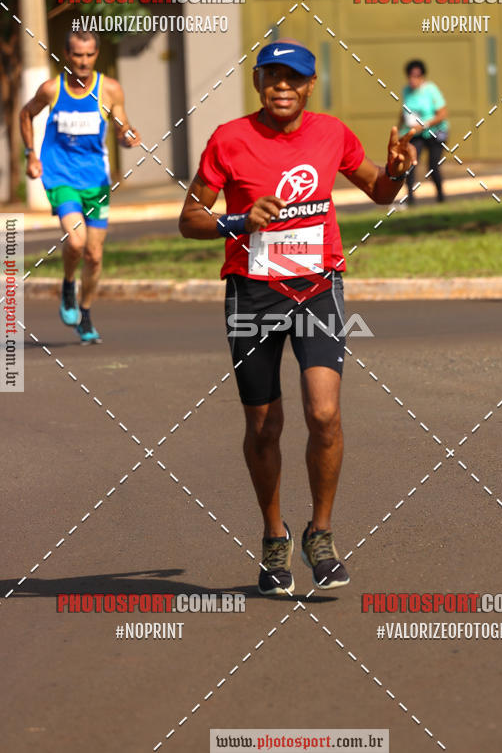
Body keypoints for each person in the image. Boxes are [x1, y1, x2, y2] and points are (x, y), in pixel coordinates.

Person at [179, 40, 416, 595]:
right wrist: (235, 220)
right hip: (252, 294)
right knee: (264, 426)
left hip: (317, 287)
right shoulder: (229, 139)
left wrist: (400, 174)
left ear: (310, 86)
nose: (282, 87)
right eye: (272, 77)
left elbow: (378, 191)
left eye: (294, 78)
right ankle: (273, 538)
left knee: (325, 413)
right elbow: (190, 218)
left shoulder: (332, 133)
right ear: (258, 82)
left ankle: (321, 535)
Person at [20, 29, 140, 343]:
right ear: (66, 54)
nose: (83, 62)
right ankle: (68, 284)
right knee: (75, 243)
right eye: (77, 55)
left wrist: (127, 137)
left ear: (96, 55)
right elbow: (25, 113)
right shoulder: (52, 89)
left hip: (96, 182)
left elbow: (121, 126)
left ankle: (85, 315)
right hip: (60, 178)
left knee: (95, 255)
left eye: (89, 55)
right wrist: (31, 155)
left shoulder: (110, 89)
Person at [400, 59, 449, 204]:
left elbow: (442, 114)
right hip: (416, 133)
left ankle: (441, 198)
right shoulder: (406, 91)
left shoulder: (431, 90)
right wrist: (401, 131)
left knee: (433, 166)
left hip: (435, 131)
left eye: (416, 76)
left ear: (422, 77)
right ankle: (410, 200)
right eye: (410, 76)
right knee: (410, 164)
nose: (413, 79)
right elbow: (404, 112)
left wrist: (424, 124)